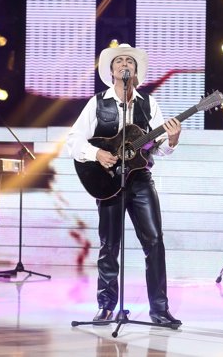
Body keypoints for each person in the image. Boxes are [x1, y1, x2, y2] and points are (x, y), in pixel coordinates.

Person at [66, 44, 182, 326]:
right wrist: (96, 153)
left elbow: (159, 147)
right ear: (111, 71)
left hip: (140, 180)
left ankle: (159, 309)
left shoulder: (148, 103)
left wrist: (173, 139)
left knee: (154, 241)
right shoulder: (97, 102)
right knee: (109, 245)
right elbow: (74, 139)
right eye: (119, 61)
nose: (124, 64)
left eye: (129, 61)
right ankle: (106, 306)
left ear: (136, 71)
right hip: (108, 181)